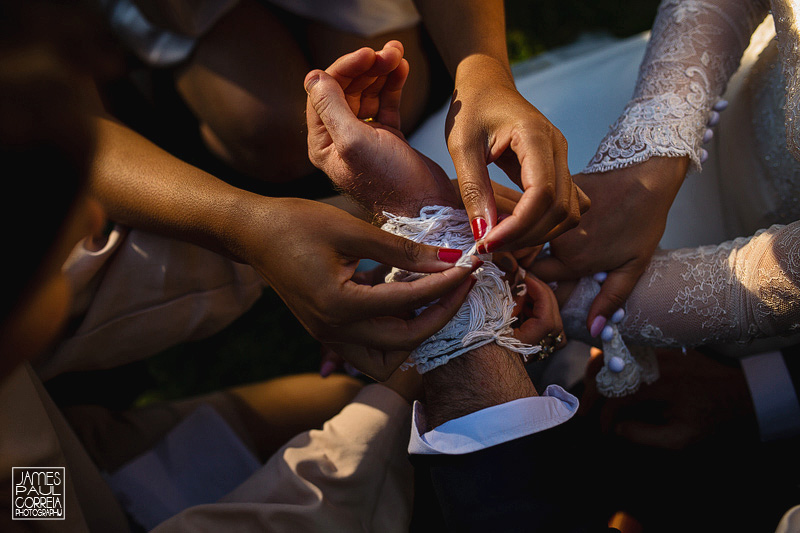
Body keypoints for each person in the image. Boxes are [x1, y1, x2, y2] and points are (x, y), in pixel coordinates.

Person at [0, 5, 461, 532]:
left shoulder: (23, 462)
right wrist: (395, 393)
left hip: (56, 473)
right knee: (383, 430)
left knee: (330, 401)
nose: (92, 213)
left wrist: (296, 230)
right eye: (54, 248)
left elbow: (34, 477)